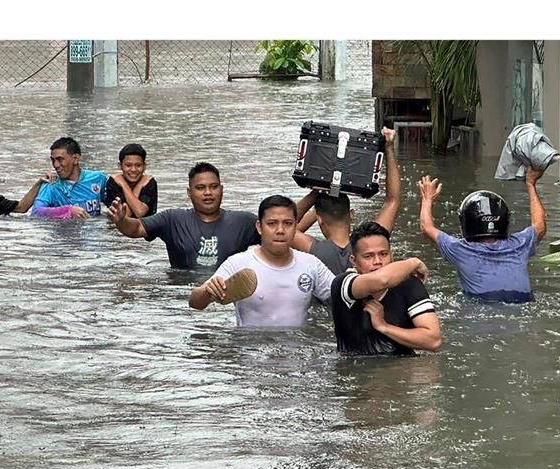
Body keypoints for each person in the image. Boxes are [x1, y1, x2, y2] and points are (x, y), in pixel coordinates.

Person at [189, 195, 334, 327]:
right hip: (251, 351)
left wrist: (351, 279)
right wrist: (207, 292)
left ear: (295, 226)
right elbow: (196, 303)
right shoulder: (238, 263)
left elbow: (341, 295)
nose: (280, 230)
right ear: (259, 227)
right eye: (272, 223)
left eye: (287, 223)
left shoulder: (310, 264)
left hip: (297, 351)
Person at [418, 167, 547, 303]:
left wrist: (427, 199)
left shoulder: (460, 250)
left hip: (483, 305)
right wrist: (531, 184)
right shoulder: (520, 245)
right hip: (523, 302)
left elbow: (426, 228)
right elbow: (540, 225)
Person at [107, 162, 260, 269]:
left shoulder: (244, 222)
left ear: (221, 189)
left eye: (213, 187)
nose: (208, 193)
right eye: (200, 188)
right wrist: (121, 221)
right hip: (181, 297)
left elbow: (278, 242)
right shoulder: (173, 219)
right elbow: (136, 228)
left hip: (226, 296)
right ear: (189, 192)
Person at [292, 127, 400, 275]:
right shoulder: (370, 245)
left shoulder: (314, 250)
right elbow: (392, 201)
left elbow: (286, 225)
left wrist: (316, 192)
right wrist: (388, 148)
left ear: (319, 220)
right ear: (351, 214)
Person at [331, 221, 442, 356]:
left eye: (383, 254)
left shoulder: (410, 285)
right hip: (356, 370)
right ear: (354, 261)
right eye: (368, 256)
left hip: (403, 369)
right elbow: (382, 280)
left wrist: (384, 327)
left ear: (392, 255)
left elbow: (434, 341)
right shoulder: (344, 283)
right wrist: (413, 262)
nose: (377, 261)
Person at [31, 137, 107, 219]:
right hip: (65, 230)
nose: (55, 165)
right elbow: (36, 212)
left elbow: (112, 204)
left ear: (75, 159)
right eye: (53, 160)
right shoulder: (51, 185)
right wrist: (68, 211)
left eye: (60, 159)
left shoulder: (98, 178)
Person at [102, 143, 157, 218]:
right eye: (128, 165)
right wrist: (125, 184)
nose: (133, 170)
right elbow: (123, 216)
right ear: (120, 166)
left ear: (144, 166)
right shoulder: (114, 182)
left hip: (146, 227)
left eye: (138, 165)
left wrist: (126, 185)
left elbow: (140, 212)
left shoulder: (149, 182)